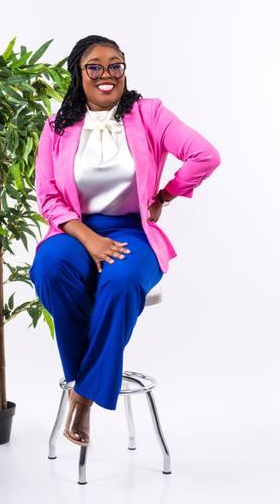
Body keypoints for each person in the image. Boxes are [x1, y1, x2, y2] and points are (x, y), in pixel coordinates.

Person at [29, 34, 221, 447]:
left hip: (133, 230)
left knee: (121, 282)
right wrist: (89, 239)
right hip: (75, 228)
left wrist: (165, 195)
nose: (107, 74)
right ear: (78, 74)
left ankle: (82, 395)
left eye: (115, 65)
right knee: (51, 268)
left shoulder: (149, 113)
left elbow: (205, 155)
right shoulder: (57, 127)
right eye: (95, 67)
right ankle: (87, 377)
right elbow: (48, 196)